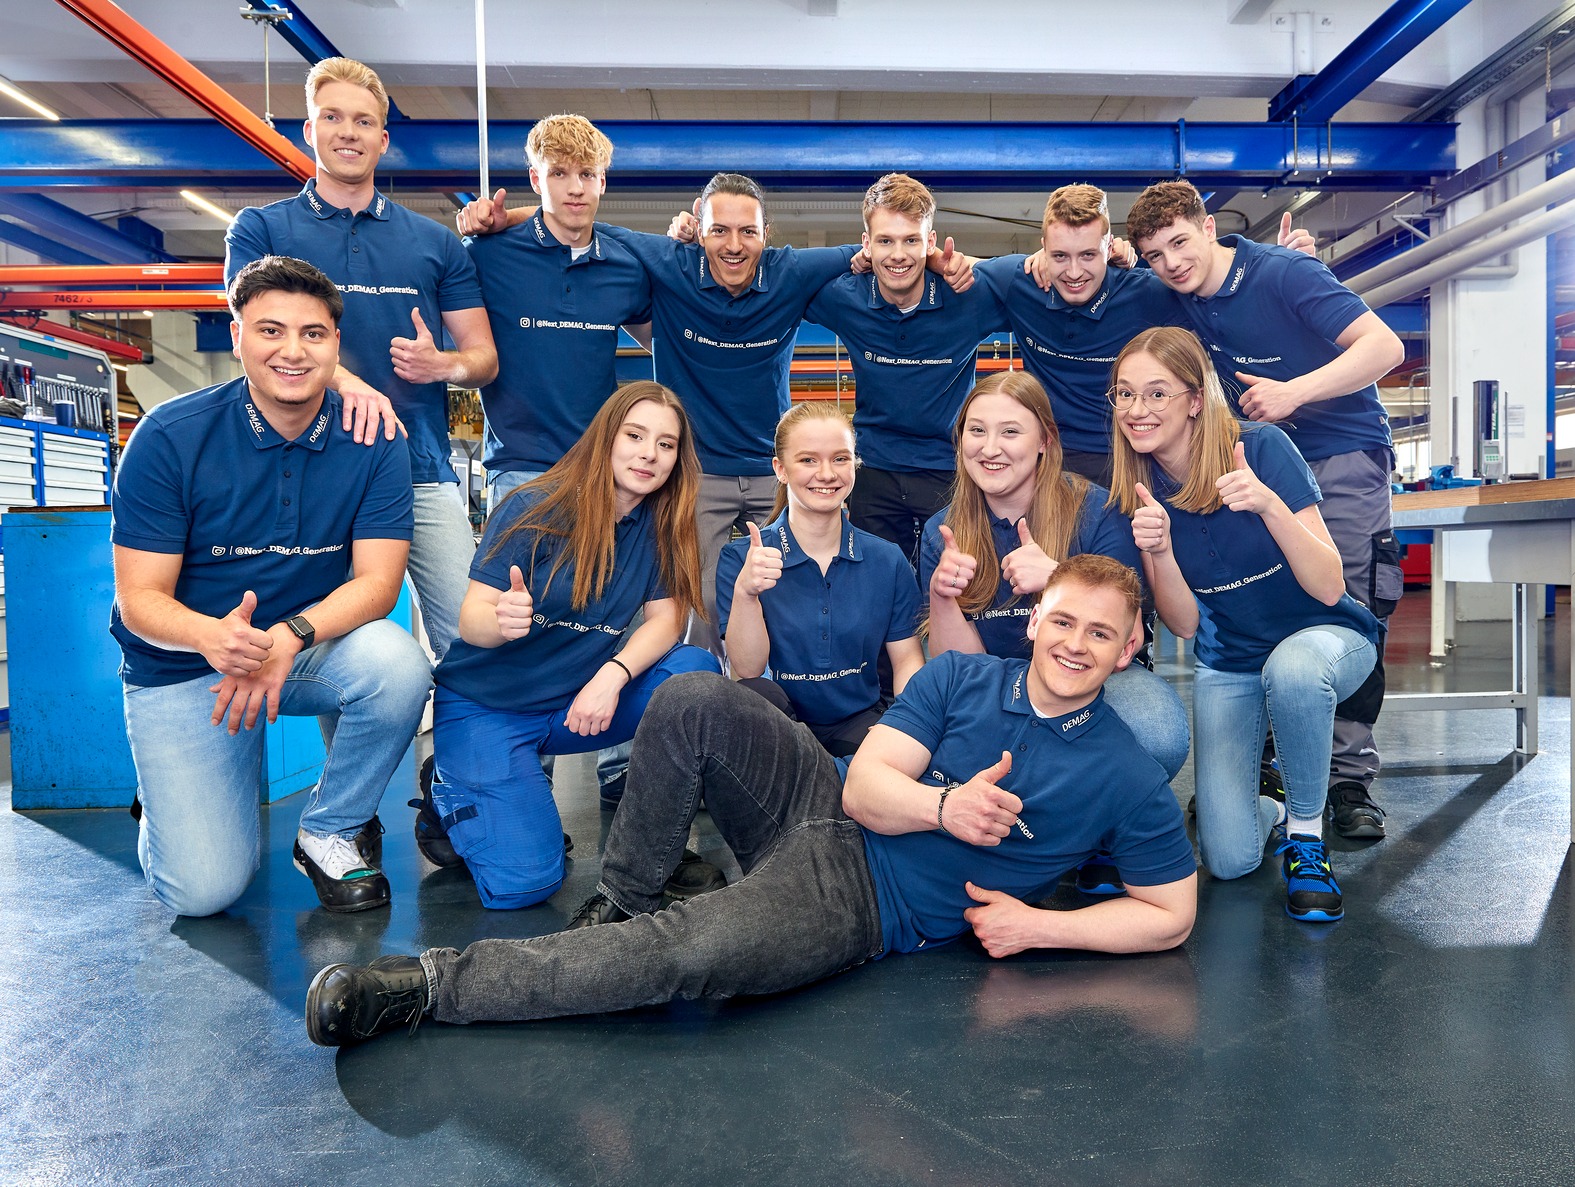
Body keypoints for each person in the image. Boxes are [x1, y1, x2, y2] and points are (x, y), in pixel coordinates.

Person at [305, 554, 1197, 1047]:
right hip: (822, 801)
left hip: (862, 903)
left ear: (1128, 652)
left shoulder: (1124, 773)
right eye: (1062, 620)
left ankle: (427, 986)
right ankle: (623, 894)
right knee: (693, 694)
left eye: (1101, 634)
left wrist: (1043, 927)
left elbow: (1171, 912)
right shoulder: (963, 677)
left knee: (689, 952)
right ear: (1033, 619)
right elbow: (866, 788)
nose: (1075, 643)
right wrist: (944, 808)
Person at [460, 172, 971, 635]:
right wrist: (504, 217)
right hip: (697, 471)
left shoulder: (791, 271)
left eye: (747, 231)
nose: (734, 244)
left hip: (772, 473)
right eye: (719, 230)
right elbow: (583, 223)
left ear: (766, 234)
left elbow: (885, 253)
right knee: (697, 603)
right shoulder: (671, 263)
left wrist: (940, 260)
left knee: (787, 596)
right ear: (698, 231)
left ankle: (779, 696)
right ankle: (699, 692)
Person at [111, 255, 433, 918]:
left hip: (301, 653)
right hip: (188, 663)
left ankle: (330, 829)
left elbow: (379, 583)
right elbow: (138, 601)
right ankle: (168, 800)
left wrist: (289, 636)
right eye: (270, 330)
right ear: (237, 337)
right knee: (203, 893)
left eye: (312, 333)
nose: (292, 351)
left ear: (335, 344)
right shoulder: (170, 436)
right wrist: (212, 637)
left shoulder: (373, 440)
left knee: (398, 665)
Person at [1126, 180, 1402, 841]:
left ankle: (1346, 779)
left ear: (1209, 226)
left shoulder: (1283, 273)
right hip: (1251, 457)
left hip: (1338, 452)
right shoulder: (1177, 296)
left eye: (1180, 243)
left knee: (1343, 603)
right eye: (1154, 254)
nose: (1171, 263)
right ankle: (1271, 766)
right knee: (1259, 606)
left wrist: (1293, 392)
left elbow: (1385, 348)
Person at [225, 57, 498, 663]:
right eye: (333, 117)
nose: (348, 132)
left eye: (364, 121)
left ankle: (457, 732)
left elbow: (483, 358)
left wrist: (444, 366)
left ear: (383, 139)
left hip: (418, 465)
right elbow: (254, 333)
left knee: (473, 638)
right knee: (308, 639)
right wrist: (348, 382)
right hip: (304, 467)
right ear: (309, 129)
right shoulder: (260, 230)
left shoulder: (435, 243)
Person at [1107, 326, 1380, 922]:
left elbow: (1329, 585)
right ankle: (1275, 810)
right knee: (1228, 859)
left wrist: (1268, 504)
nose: (1137, 409)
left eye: (1156, 393)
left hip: (1327, 640)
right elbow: (1183, 625)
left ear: (1194, 399)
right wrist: (1159, 551)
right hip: (1231, 658)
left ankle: (1307, 837)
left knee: (1294, 668)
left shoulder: (1260, 448)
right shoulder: (1140, 486)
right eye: (1125, 394)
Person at [428, 381, 721, 910]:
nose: (649, 454)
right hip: (488, 707)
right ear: (606, 437)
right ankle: (447, 789)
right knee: (525, 885)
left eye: (666, 444)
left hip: (576, 703)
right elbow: (471, 619)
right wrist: (502, 620)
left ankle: (652, 846)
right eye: (635, 436)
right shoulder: (534, 506)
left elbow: (667, 620)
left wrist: (613, 674)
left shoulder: (662, 525)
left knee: (695, 677)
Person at [919, 370, 1190, 896]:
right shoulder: (943, 531)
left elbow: (1129, 634)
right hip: (1002, 688)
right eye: (977, 431)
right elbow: (960, 669)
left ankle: (1098, 834)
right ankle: (1044, 833)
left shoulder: (1096, 511)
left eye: (1010, 432)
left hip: (1093, 682)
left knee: (1155, 729)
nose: (990, 448)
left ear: (1045, 440)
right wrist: (943, 597)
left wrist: (1059, 580)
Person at [974, 185, 1316, 487]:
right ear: (1043, 248)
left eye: (1088, 255)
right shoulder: (1019, 281)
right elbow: (956, 267)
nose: (1074, 272)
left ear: (1109, 247)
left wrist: (1279, 271)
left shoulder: (1150, 292)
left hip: (1132, 455)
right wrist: (942, 260)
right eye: (1060, 255)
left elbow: (1222, 290)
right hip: (1053, 459)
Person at [802, 173, 1007, 561]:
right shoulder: (845, 297)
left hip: (947, 469)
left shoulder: (968, 296)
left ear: (931, 242)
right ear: (866, 244)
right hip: (873, 468)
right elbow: (778, 275)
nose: (898, 254)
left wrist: (1113, 254)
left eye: (911, 240)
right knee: (876, 582)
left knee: (956, 582)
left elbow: (1037, 275)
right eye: (885, 241)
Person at [461, 114, 652, 509]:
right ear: (536, 180)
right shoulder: (486, 255)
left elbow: (667, 348)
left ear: (602, 181)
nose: (576, 188)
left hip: (598, 469)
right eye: (559, 173)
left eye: (587, 174)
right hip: (518, 470)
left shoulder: (626, 269)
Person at [717, 402, 923, 758]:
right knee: (756, 695)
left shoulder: (887, 560)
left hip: (858, 722)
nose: (826, 474)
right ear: (781, 469)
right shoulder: (741, 559)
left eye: (840, 459)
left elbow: (907, 661)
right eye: (808, 460)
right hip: (776, 722)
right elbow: (748, 670)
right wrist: (746, 593)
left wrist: (904, 730)